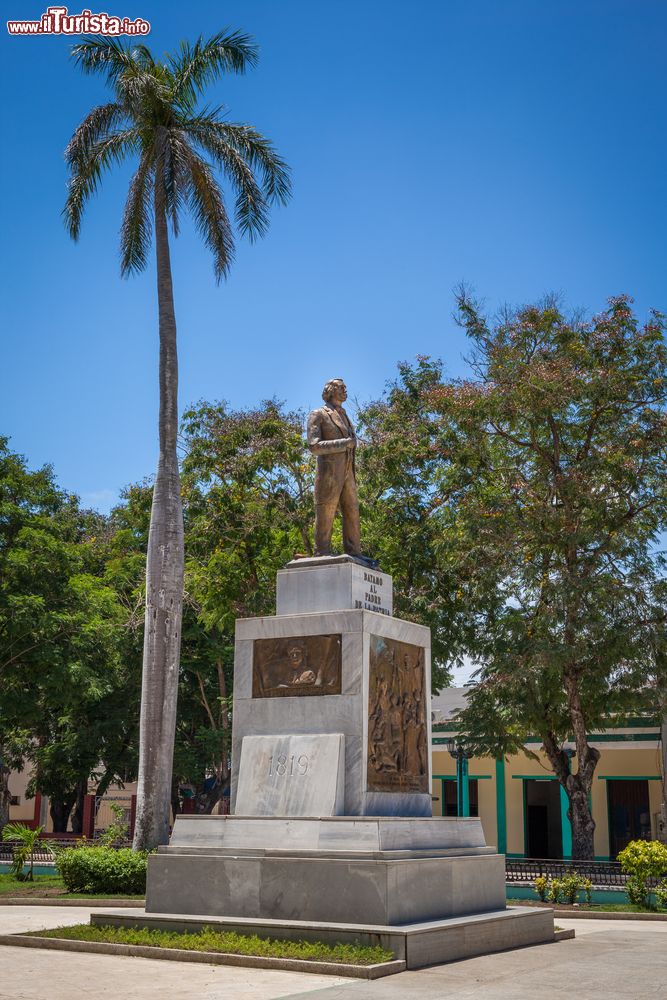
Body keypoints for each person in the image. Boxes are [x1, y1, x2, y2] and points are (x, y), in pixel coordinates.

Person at [306, 378, 362, 557]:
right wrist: (344, 444)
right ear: (330, 391)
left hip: (348, 472)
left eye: (346, 387)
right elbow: (314, 446)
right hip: (329, 473)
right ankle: (321, 552)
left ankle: (354, 552)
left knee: (352, 511)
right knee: (326, 512)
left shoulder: (345, 415)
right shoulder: (318, 414)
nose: (345, 390)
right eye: (341, 387)